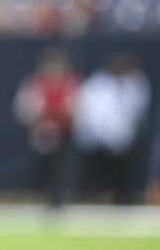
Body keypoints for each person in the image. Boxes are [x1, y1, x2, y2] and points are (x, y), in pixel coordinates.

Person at [73, 52, 151, 204]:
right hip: (97, 139)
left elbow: (136, 111)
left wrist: (124, 136)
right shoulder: (97, 83)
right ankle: (94, 198)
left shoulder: (135, 83)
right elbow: (91, 111)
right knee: (96, 173)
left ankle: (122, 198)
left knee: (122, 173)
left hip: (123, 140)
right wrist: (100, 134)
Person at [13, 47, 81, 207]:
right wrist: (42, 121)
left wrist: (57, 121)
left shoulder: (70, 83)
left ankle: (58, 197)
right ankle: (38, 195)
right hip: (40, 132)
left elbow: (76, 109)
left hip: (63, 133)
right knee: (41, 168)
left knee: (61, 168)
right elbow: (25, 108)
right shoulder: (35, 83)